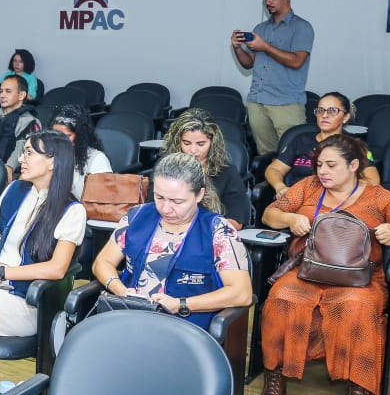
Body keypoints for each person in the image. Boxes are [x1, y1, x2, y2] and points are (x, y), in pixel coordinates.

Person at [257, 134, 390, 395]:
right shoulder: (308, 187)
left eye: (331, 165)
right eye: (319, 165)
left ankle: (358, 391)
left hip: (358, 279)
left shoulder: (379, 197)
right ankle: (275, 375)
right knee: (281, 296)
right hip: (309, 271)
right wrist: (289, 218)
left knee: (357, 307)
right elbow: (268, 215)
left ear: (353, 165)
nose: (322, 171)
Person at [89, 152, 252, 331]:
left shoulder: (218, 230)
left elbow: (241, 293)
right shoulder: (137, 216)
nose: (166, 208)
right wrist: (121, 291)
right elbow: (102, 262)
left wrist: (181, 304)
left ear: (199, 195)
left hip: (184, 329)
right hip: (131, 319)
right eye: (159, 197)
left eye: (177, 201)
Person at [0, 132, 86, 336]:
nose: (21, 159)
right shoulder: (14, 190)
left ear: (52, 162)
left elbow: (57, 269)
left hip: (25, 303)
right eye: (23, 152)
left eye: (29, 153)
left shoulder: (72, 210)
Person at [231, 0, 315, 155]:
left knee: (293, 158)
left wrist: (265, 47)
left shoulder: (302, 27)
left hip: (286, 104)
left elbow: (297, 61)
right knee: (266, 157)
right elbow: (249, 64)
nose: (268, 2)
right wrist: (237, 48)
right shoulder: (260, 29)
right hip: (257, 103)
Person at [264, 92, 380, 200]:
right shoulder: (300, 140)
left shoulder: (355, 145)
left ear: (345, 117)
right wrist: (280, 187)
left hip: (337, 203)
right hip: (297, 199)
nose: (324, 115)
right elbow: (274, 169)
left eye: (333, 111)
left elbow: (373, 181)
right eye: (320, 110)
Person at [159, 109, 251, 230]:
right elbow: (152, 210)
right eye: (186, 143)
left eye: (201, 144)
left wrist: (197, 229)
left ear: (212, 142)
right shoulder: (164, 169)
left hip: (209, 233)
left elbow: (236, 221)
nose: (193, 150)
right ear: (177, 142)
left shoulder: (227, 173)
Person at [48, 104, 112, 199]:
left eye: (66, 136)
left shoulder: (97, 159)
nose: (59, 140)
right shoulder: (47, 154)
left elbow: (102, 200)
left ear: (79, 136)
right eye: (55, 135)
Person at [0, 75, 41, 167]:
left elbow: (22, 147)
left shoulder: (28, 121)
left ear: (21, 95)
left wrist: (9, 168)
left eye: (8, 91)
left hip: (10, 170)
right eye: (1, 91)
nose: (2, 95)